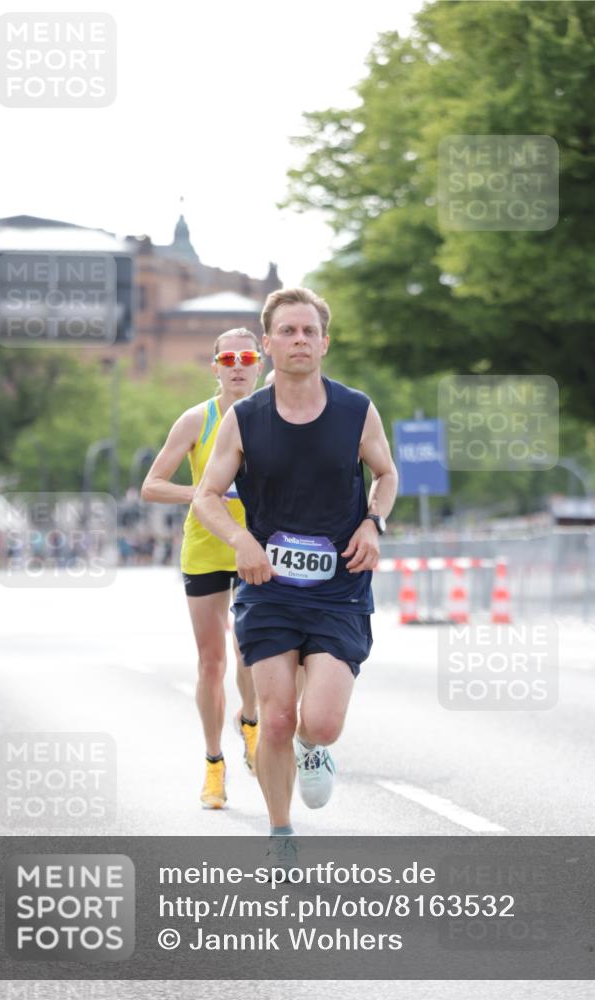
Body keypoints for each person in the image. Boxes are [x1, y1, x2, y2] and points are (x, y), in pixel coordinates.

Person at [193, 288, 398, 849]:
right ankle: (282, 831)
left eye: (309, 330)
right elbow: (207, 495)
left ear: (324, 342)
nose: (299, 339)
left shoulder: (357, 409)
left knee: (321, 722)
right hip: (268, 589)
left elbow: (386, 475)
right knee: (276, 718)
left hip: (340, 589)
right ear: (269, 343)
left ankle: (316, 748)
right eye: (287, 331)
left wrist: (372, 524)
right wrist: (241, 541)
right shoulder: (245, 418)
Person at [141, 328, 264, 809]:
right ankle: (214, 765)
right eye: (228, 357)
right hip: (206, 549)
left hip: (257, 547)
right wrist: (203, 493)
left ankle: (250, 723)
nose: (237, 365)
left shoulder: (275, 415)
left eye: (247, 356)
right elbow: (152, 485)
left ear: (259, 364)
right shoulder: (197, 419)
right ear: (215, 367)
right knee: (212, 662)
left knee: (252, 652)